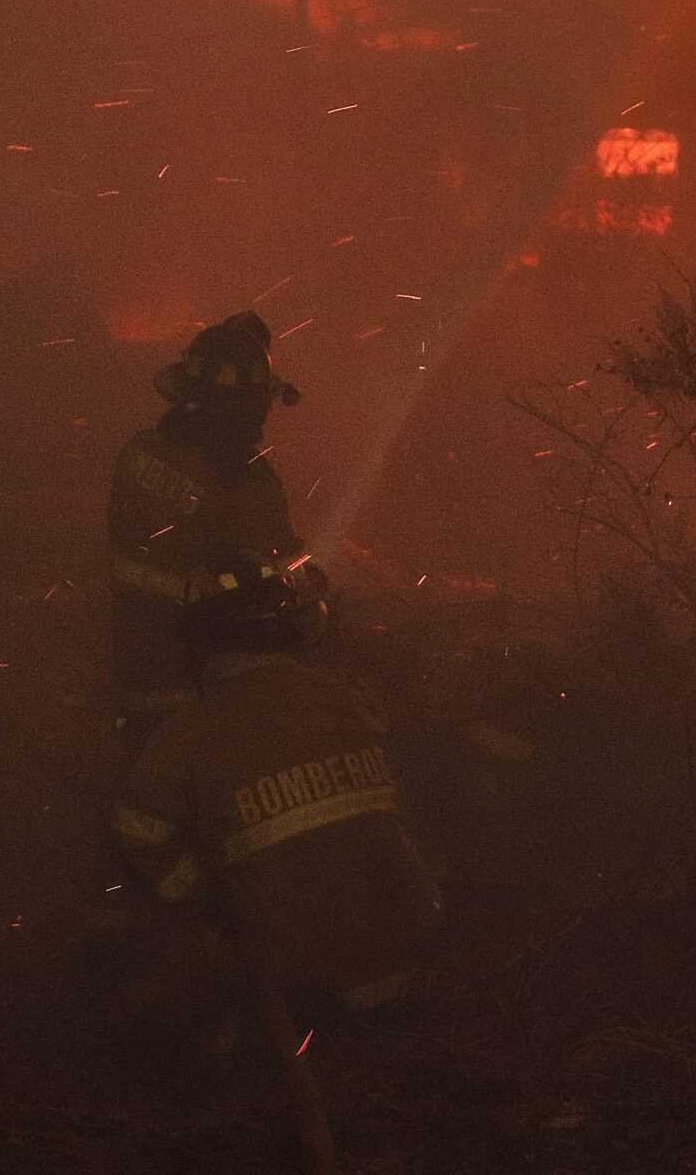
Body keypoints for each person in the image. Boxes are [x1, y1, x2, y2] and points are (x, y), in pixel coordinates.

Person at [109, 558, 443, 1173]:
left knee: (169, 961)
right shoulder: (349, 699)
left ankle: (221, 1067)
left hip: (297, 981)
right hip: (408, 946)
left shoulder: (191, 733)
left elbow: (137, 830)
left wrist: (199, 896)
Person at [107, 311, 323, 756]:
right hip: (200, 690)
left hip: (120, 665)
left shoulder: (139, 450)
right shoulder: (244, 485)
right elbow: (281, 578)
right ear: (250, 403)